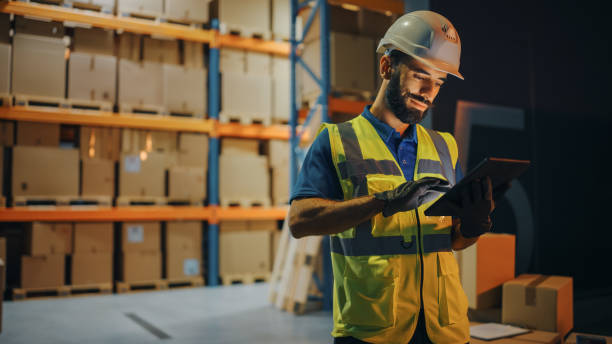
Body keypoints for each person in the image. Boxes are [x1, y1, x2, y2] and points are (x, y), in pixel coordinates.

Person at [289, 11, 501, 344]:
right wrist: (381, 202)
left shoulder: (445, 147)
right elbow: (299, 222)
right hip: (372, 330)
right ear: (387, 67)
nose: (429, 91)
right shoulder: (335, 141)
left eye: (439, 82)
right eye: (420, 75)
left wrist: (472, 227)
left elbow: (451, 242)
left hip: (443, 330)